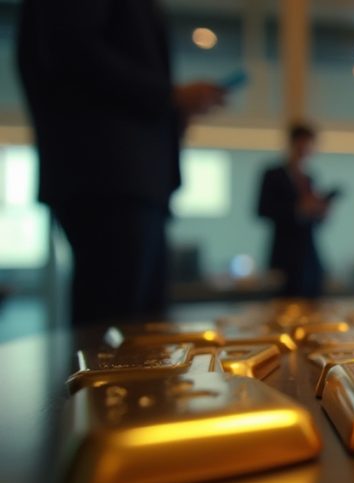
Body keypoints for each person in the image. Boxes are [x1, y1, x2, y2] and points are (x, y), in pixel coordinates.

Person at [16, 0, 226, 328]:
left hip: (125, 177)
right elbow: (73, 51)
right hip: (108, 174)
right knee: (117, 331)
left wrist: (169, 112)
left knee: (136, 328)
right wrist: (167, 97)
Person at [257, 124, 334, 299]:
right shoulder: (273, 174)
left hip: (310, 255)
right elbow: (262, 210)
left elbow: (313, 221)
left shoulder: (310, 178)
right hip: (285, 254)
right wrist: (298, 209)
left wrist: (320, 212)